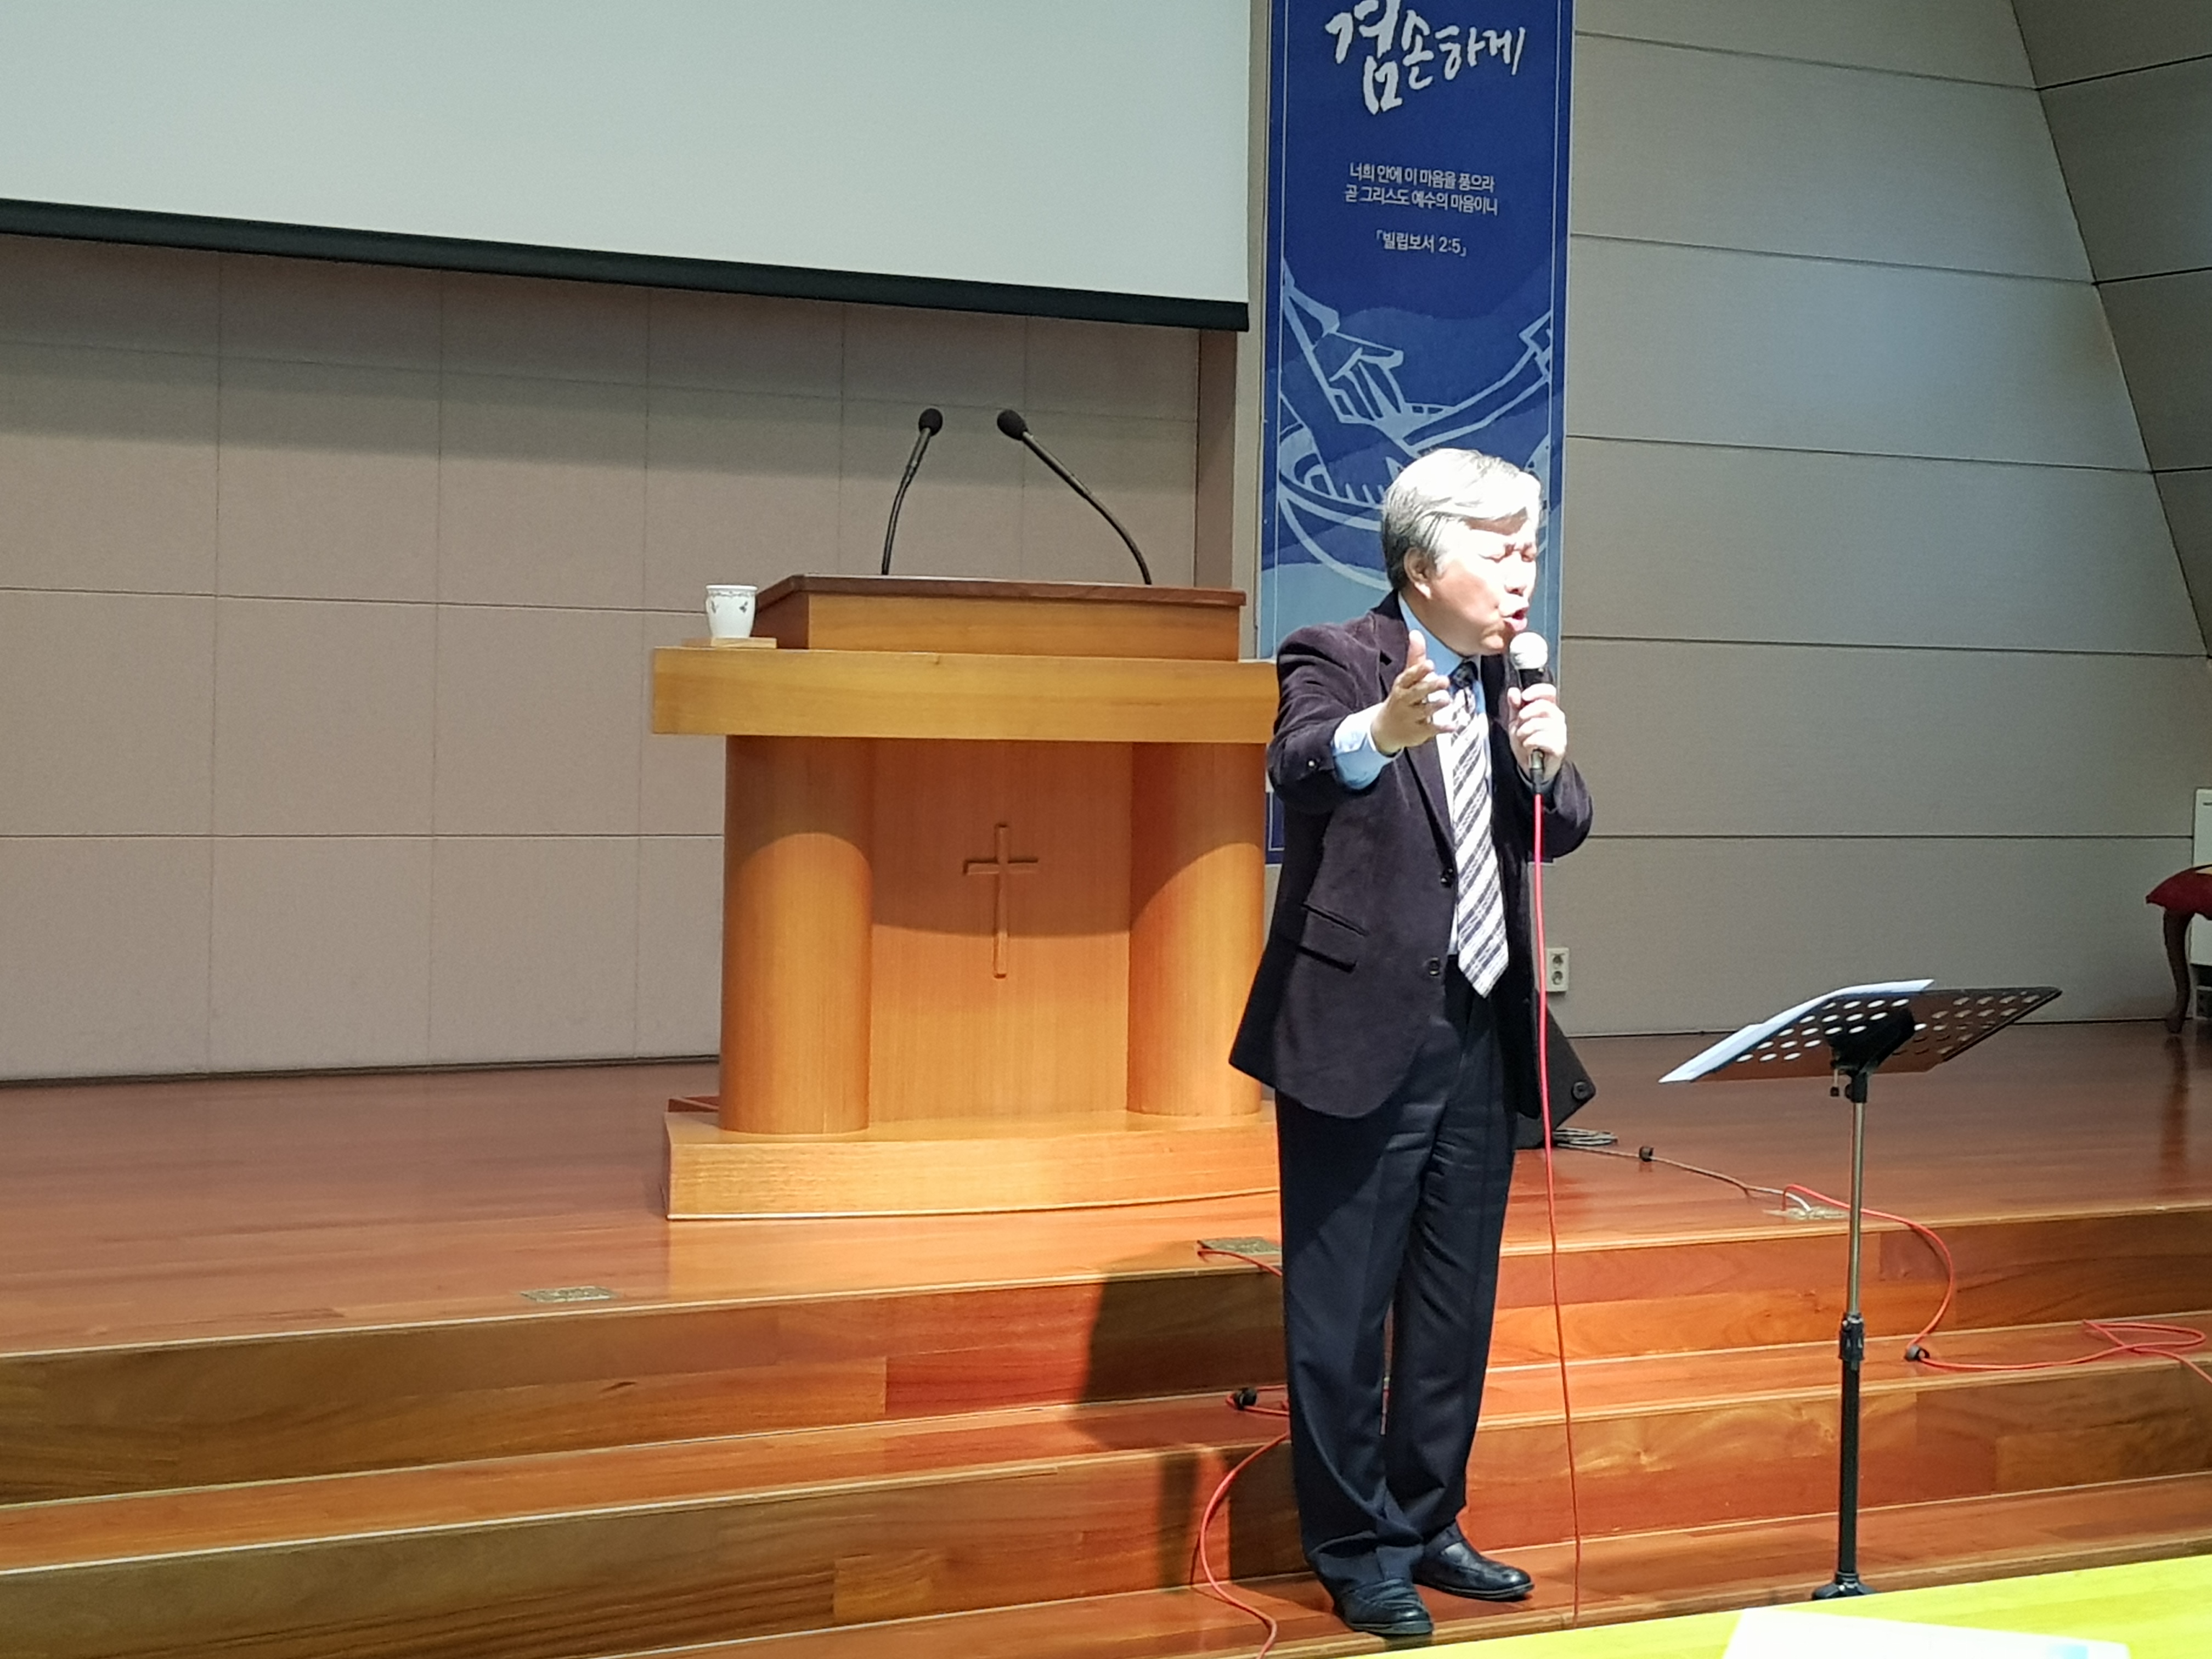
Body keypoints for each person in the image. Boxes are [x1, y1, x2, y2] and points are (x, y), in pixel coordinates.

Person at [1231, 447, 1593, 1638]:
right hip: (1358, 1028)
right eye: (1501, 549)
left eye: (1531, 549)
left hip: (1483, 1025)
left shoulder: (1513, 678)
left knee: (1453, 1303)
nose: (1523, 573)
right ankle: (1353, 1546)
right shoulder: (1337, 656)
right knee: (1342, 1312)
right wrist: (1380, 733)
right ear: (1423, 561)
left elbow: (1562, 826)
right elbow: (1299, 767)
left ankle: (1427, 1521)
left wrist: (1547, 757)